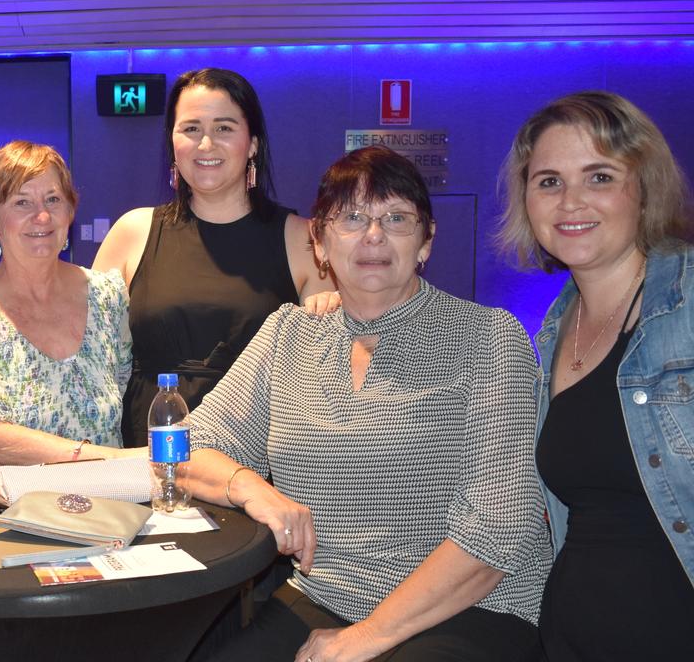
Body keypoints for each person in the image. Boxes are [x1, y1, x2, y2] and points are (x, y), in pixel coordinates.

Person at [186, 146, 551, 661]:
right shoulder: (290, 334)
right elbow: (187, 447)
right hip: (326, 594)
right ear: (319, 241)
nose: (373, 235)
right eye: (352, 217)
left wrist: (369, 635)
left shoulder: (488, 338)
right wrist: (254, 490)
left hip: (472, 606)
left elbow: (500, 528)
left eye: (396, 218)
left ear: (426, 241)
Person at [497, 91, 694, 660]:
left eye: (600, 176)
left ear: (644, 188)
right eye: (549, 181)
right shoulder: (554, 329)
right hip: (567, 636)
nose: (570, 201)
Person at [93, 67, 334, 447]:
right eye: (190, 128)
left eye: (224, 128)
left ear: (252, 143)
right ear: (173, 142)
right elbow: (89, 360)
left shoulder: (303, 240)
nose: (206, 144)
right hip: (145, 457)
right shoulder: (132, 232)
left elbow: (327, 376)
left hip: (254, 462)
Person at [0, 141, 135, 465]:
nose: (42, 216)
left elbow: (125, 393)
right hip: (16, 510)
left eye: (53, 199)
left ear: (70, 211)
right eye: (21, 202)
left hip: (115, 506)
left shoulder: (108, 295)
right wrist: (117, 460)